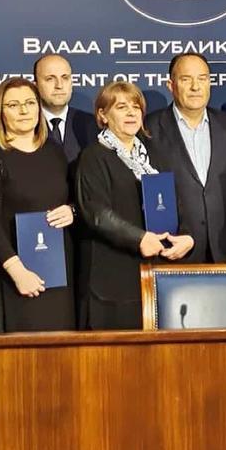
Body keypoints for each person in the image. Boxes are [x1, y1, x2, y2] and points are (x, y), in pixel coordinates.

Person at [76, 81, 194, 330]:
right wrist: (139, 239)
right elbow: (97, 213)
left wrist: (186, 236)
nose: (131, 113)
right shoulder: (93, 156)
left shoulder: (153, 155)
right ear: (103, 115)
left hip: (157, 274)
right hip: (114, 281)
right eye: (121, 107)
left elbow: (175, 202)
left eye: (136, 107)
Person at [0, 77, 77, 331]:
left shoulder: (54, 152)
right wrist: (17, 271)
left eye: (30, 103)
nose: (23, 111)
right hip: (16, 276)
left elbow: (74, 198)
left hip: (59, 272)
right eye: (13, 105)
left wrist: (72, 210)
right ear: (1, 112)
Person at [145, 54, 226, 264]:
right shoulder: (148, 130)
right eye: (186, 79)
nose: (195, 87)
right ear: (170, 85)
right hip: (174, 250)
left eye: (202, 78)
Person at [34, 54, 98, 167]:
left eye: (65, 78)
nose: (59, 85)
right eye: (50, 79)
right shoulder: (27, 125)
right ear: (36, 85)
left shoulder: (92, 124)